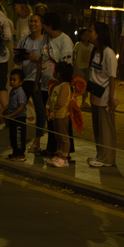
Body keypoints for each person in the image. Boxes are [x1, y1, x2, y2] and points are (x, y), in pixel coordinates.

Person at [40, 12, 74, 161]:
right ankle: (53, 148)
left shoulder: (65, 41)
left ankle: (65, 151)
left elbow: (66, 66)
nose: (41, 26)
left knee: (61, 122)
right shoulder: (46, 38)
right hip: (46, 85)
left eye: (43, 23)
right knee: (51, 120)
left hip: (58, 87)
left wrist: (61, 85)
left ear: (50, 25)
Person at [85, 21, 119, 168]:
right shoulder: (95, 50)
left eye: (91, 31)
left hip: (105, 97)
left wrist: (111, 98)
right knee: (98, 129)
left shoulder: (109, 53)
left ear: (99, 34)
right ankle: (100, 154)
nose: (89, 33)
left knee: (107, 129)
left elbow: (112, 77)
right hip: (95, 94)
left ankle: (108, 158)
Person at [15, 13, 46, 152]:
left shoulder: (45, 40)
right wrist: (19, 56)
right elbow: (17, 60)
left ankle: (37, 140)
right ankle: (18, 140)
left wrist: (36, 58)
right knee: (19, 111)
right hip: (24, 79)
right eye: (31, 21)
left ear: (42, 24)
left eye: (36, 21)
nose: (33, 24)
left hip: (38, 81)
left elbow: (48, 60)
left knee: (40, 111)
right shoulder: (24, 39)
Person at [45, 61, 74, 168]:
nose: (53, 71)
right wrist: (47, 108)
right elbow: (50, 98)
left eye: (54, 70)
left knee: (63, 137)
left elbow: (61, 102)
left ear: (58, 74)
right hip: (55, 115)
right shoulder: (56, 85)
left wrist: (53, 109)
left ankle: (64, 159)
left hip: (62, 115)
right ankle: (59, 155)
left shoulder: (65, 86)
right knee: (57, 136)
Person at [4, 69, 28, 161]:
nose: (11, 82)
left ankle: (20, 154)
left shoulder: (20, 93)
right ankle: (15, 153)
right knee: (13, 136)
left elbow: (21, 107)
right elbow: (10, 104)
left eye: (14, 80)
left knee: (19, 137)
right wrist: (2, 110)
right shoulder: (13, 91)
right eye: (11, 79)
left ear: (21, 82)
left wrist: (11, 115)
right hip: (13, 118)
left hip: (19, 119)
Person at [73, 28, 94, 107]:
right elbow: (73, 54)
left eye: (88, 35)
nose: (86, 36)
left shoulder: (91, 46)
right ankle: (74, 100)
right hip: (79, 68)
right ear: (81, 36)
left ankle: (83, 102)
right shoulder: (78, 44)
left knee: (85, 84)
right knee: (76, 84)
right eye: (84, 35)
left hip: (87, 68)